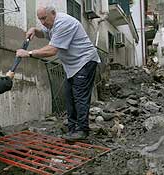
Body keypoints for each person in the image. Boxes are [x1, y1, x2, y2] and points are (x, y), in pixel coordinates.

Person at [16, 6, 101, 141]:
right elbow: (43, 33)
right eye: (40, 19)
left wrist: (29, 53)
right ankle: (73, 129)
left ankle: (82, 130)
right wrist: (34, 30)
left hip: (85, 61)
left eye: (44, 18)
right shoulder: (52, 24)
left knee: (80, 97)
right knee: (69, 96)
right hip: (72, 66)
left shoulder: (63, 23)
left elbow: (51, 50)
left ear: (53, 14)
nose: (43, 22)